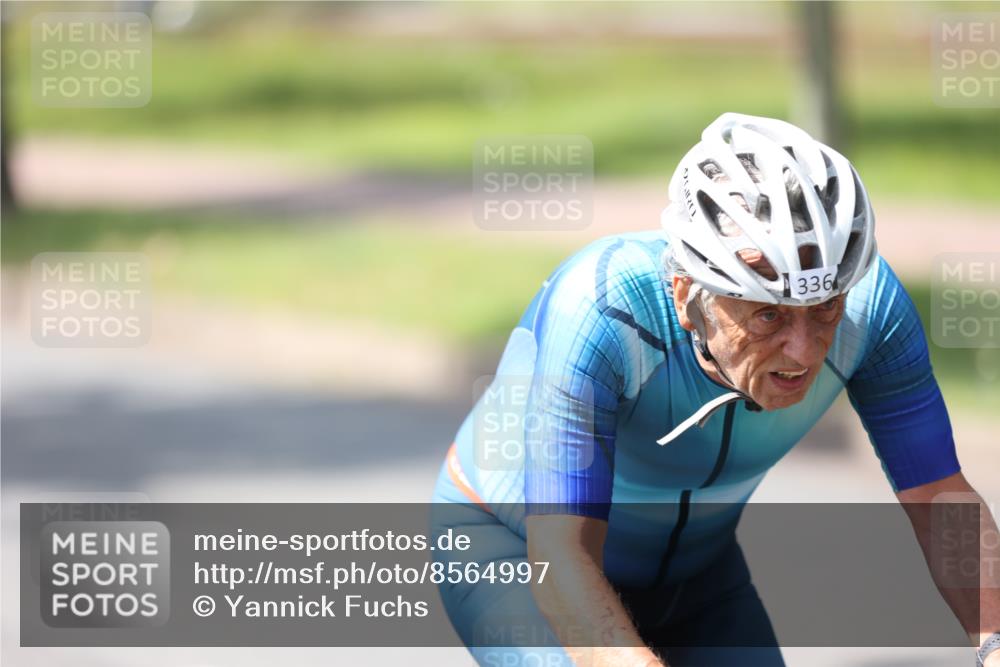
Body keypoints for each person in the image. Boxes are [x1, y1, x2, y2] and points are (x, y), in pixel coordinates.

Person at [429, 113, 1000, 666]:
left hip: (697, 573)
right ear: (686, 296)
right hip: (510, 549)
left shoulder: (873, 309)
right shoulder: (602, 312)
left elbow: (940, 500)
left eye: (824, 308)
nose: (804, 351)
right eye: (768, 317)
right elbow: (561, 551)